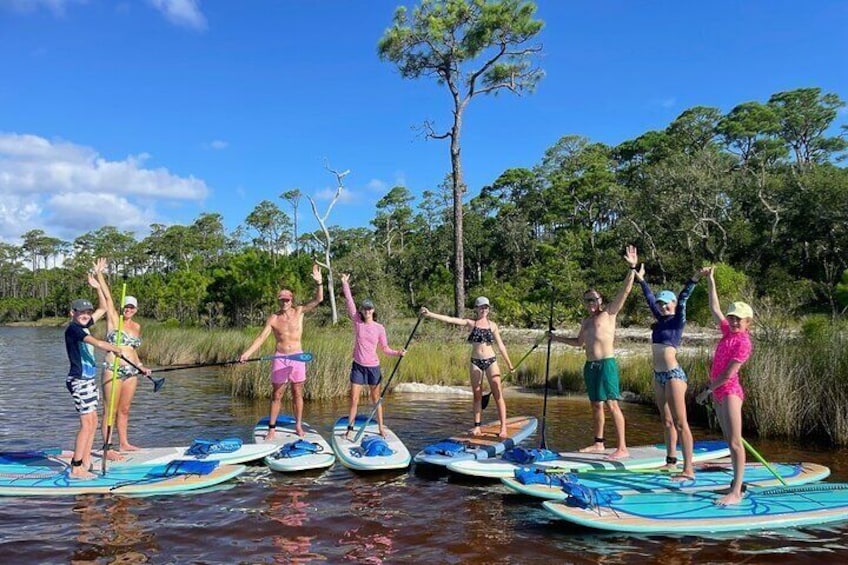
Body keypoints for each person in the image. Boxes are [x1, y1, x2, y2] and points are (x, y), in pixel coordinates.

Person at [548, 256, 636, 459]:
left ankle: (622, 447)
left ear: (600, 301)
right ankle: (599, 443)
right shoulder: (586, 322)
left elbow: (625, 291)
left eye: (594, 300)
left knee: (612, 404)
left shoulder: (609, 314)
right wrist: (556, 337)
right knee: (596, 405)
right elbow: (579, 343)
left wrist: (632, 268)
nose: (590, 303)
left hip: (606, 364)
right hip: (590, 366)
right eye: (587, 300)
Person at [629, 246, 703, 478]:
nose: (662, 306)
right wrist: (638, 276)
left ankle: (688, 468)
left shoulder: (676, 321)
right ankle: (671, 461)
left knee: (681, 423)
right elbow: (649, 297)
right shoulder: (659, 320)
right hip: (658, 375)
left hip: (673, 375)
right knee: (667, 421)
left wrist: (695, 278)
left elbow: (683, 298)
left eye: (666, 303)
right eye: (660, 304)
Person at [240, 263, 323, 439]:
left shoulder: (299, 311)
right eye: (282, 299)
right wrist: (247, 353)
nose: (284, 302)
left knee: (297, 392)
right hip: (280, 357)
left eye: (287, 299)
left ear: (291, 300)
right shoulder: (273, 318)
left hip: (298, 357)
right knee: (277, 393)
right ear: (279, 300)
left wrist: (319, 283)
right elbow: (261, 338)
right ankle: (272, 428)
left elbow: (318, 300)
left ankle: (298, 425)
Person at [696, 267, 754, 505]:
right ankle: (734, 485)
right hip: (719, 393)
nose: (733, 321)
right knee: (729, 439)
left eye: (738, 319)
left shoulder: (743, 343)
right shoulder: (726, 333)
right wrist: (710, 280)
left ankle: (736, 492)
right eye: (731, 318)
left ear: (748, 322)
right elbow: (714, 308)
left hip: (729, 392)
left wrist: (707, 390)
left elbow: (730, 374)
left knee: (734, 442)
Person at [420, 297, 514, 438]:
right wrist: (430, 314)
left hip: (491, 361)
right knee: (477, 395)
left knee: (497, 393)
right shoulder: (471, 323)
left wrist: (509, 364)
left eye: (486, 307)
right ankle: (477, 427)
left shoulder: (493, 325)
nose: (484, 310)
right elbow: (450, 319)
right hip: (475, 362)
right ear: (476, 308)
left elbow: (501, 346)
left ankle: (503, 428)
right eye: (481, 307)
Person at [90, 258, 151, 452]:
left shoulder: (137, 326)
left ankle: (124, 443)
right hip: (113, 369)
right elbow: (108, 300)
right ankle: (108, 447)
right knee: (110, 410)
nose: (128, 310)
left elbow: (133, 351)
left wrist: (141, 365)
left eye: (132, 307)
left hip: (131, 371)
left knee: (124, 410)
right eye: (126, 306)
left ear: (136, 309)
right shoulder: (114, 319)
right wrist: (100, 275)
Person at [64, 295, 124, 479]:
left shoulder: (84, 325)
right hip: (79, 380)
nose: (85, 315)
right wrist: (113, 348)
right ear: (72, 313)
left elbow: (104, 308)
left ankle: (85, 459)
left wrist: (98, 286)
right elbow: (96, 343)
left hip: (88, 380)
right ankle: (76, 467)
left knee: (94, 422)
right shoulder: (74, 329)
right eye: (81, 312)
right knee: (86, 424)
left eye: (88, 312)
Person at [340, 273, 406, 439]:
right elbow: (349, 302)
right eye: (365, 308)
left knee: (376, 399)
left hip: (373, 368)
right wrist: (345, 283)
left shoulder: (379, 328)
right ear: (362, 311)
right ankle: (350, 428)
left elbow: (385, 348)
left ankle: (381, 428)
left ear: (373, 310)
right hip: (358, 367)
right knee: (354, 398)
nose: (367, 311)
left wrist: (398, 353)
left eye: (369, 308)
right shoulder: (358, 322)